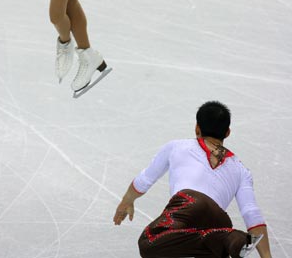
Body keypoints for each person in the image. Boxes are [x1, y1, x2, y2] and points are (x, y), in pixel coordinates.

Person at [113, 101, 272, 258]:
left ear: (197, 128)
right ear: (227, 132)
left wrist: (126, 201)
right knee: (209, 245)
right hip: (218, 221)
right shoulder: (241, 169)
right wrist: (267, 256)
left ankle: (228, 238)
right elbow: (252, 214)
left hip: (189, 203)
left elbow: (145, 179)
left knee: (149, 243)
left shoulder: (177, 146)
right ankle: (232, 240)